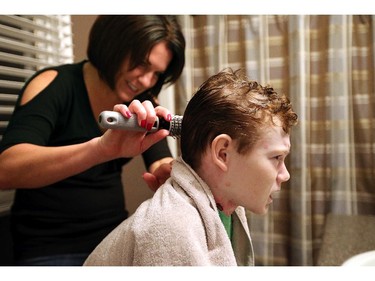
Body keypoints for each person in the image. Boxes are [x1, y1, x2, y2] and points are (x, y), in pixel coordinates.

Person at [0, 15, 185, 266]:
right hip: (48, 246)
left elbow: (159, 160)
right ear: (112, 44)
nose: (145, 81)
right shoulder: (54, 84)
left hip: (112, 237)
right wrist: (100, 150)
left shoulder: (144, 101)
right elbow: (6, 169)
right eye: (141, 64)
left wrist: (168, 173)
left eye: (156, 74)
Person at [84, 68, 298, 266]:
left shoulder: (227, 206)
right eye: (276, 158)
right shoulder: (172, 226)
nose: (285, 175)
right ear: (223, 153)